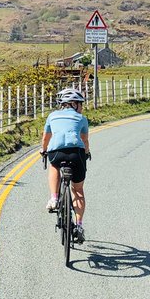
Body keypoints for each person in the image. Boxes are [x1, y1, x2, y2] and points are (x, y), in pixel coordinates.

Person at [41, 87, 91, 243]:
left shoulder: (52, 116)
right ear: (74, 104)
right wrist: (87, 152)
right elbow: (85, 140)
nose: (81, 107)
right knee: (78, 190)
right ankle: (79, 226)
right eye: (80, 103)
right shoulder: (81, 118)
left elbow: (45, 139)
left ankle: (54, 198)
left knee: (54, 166)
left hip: (56, 152)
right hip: (77, 153)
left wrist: (43, 151)